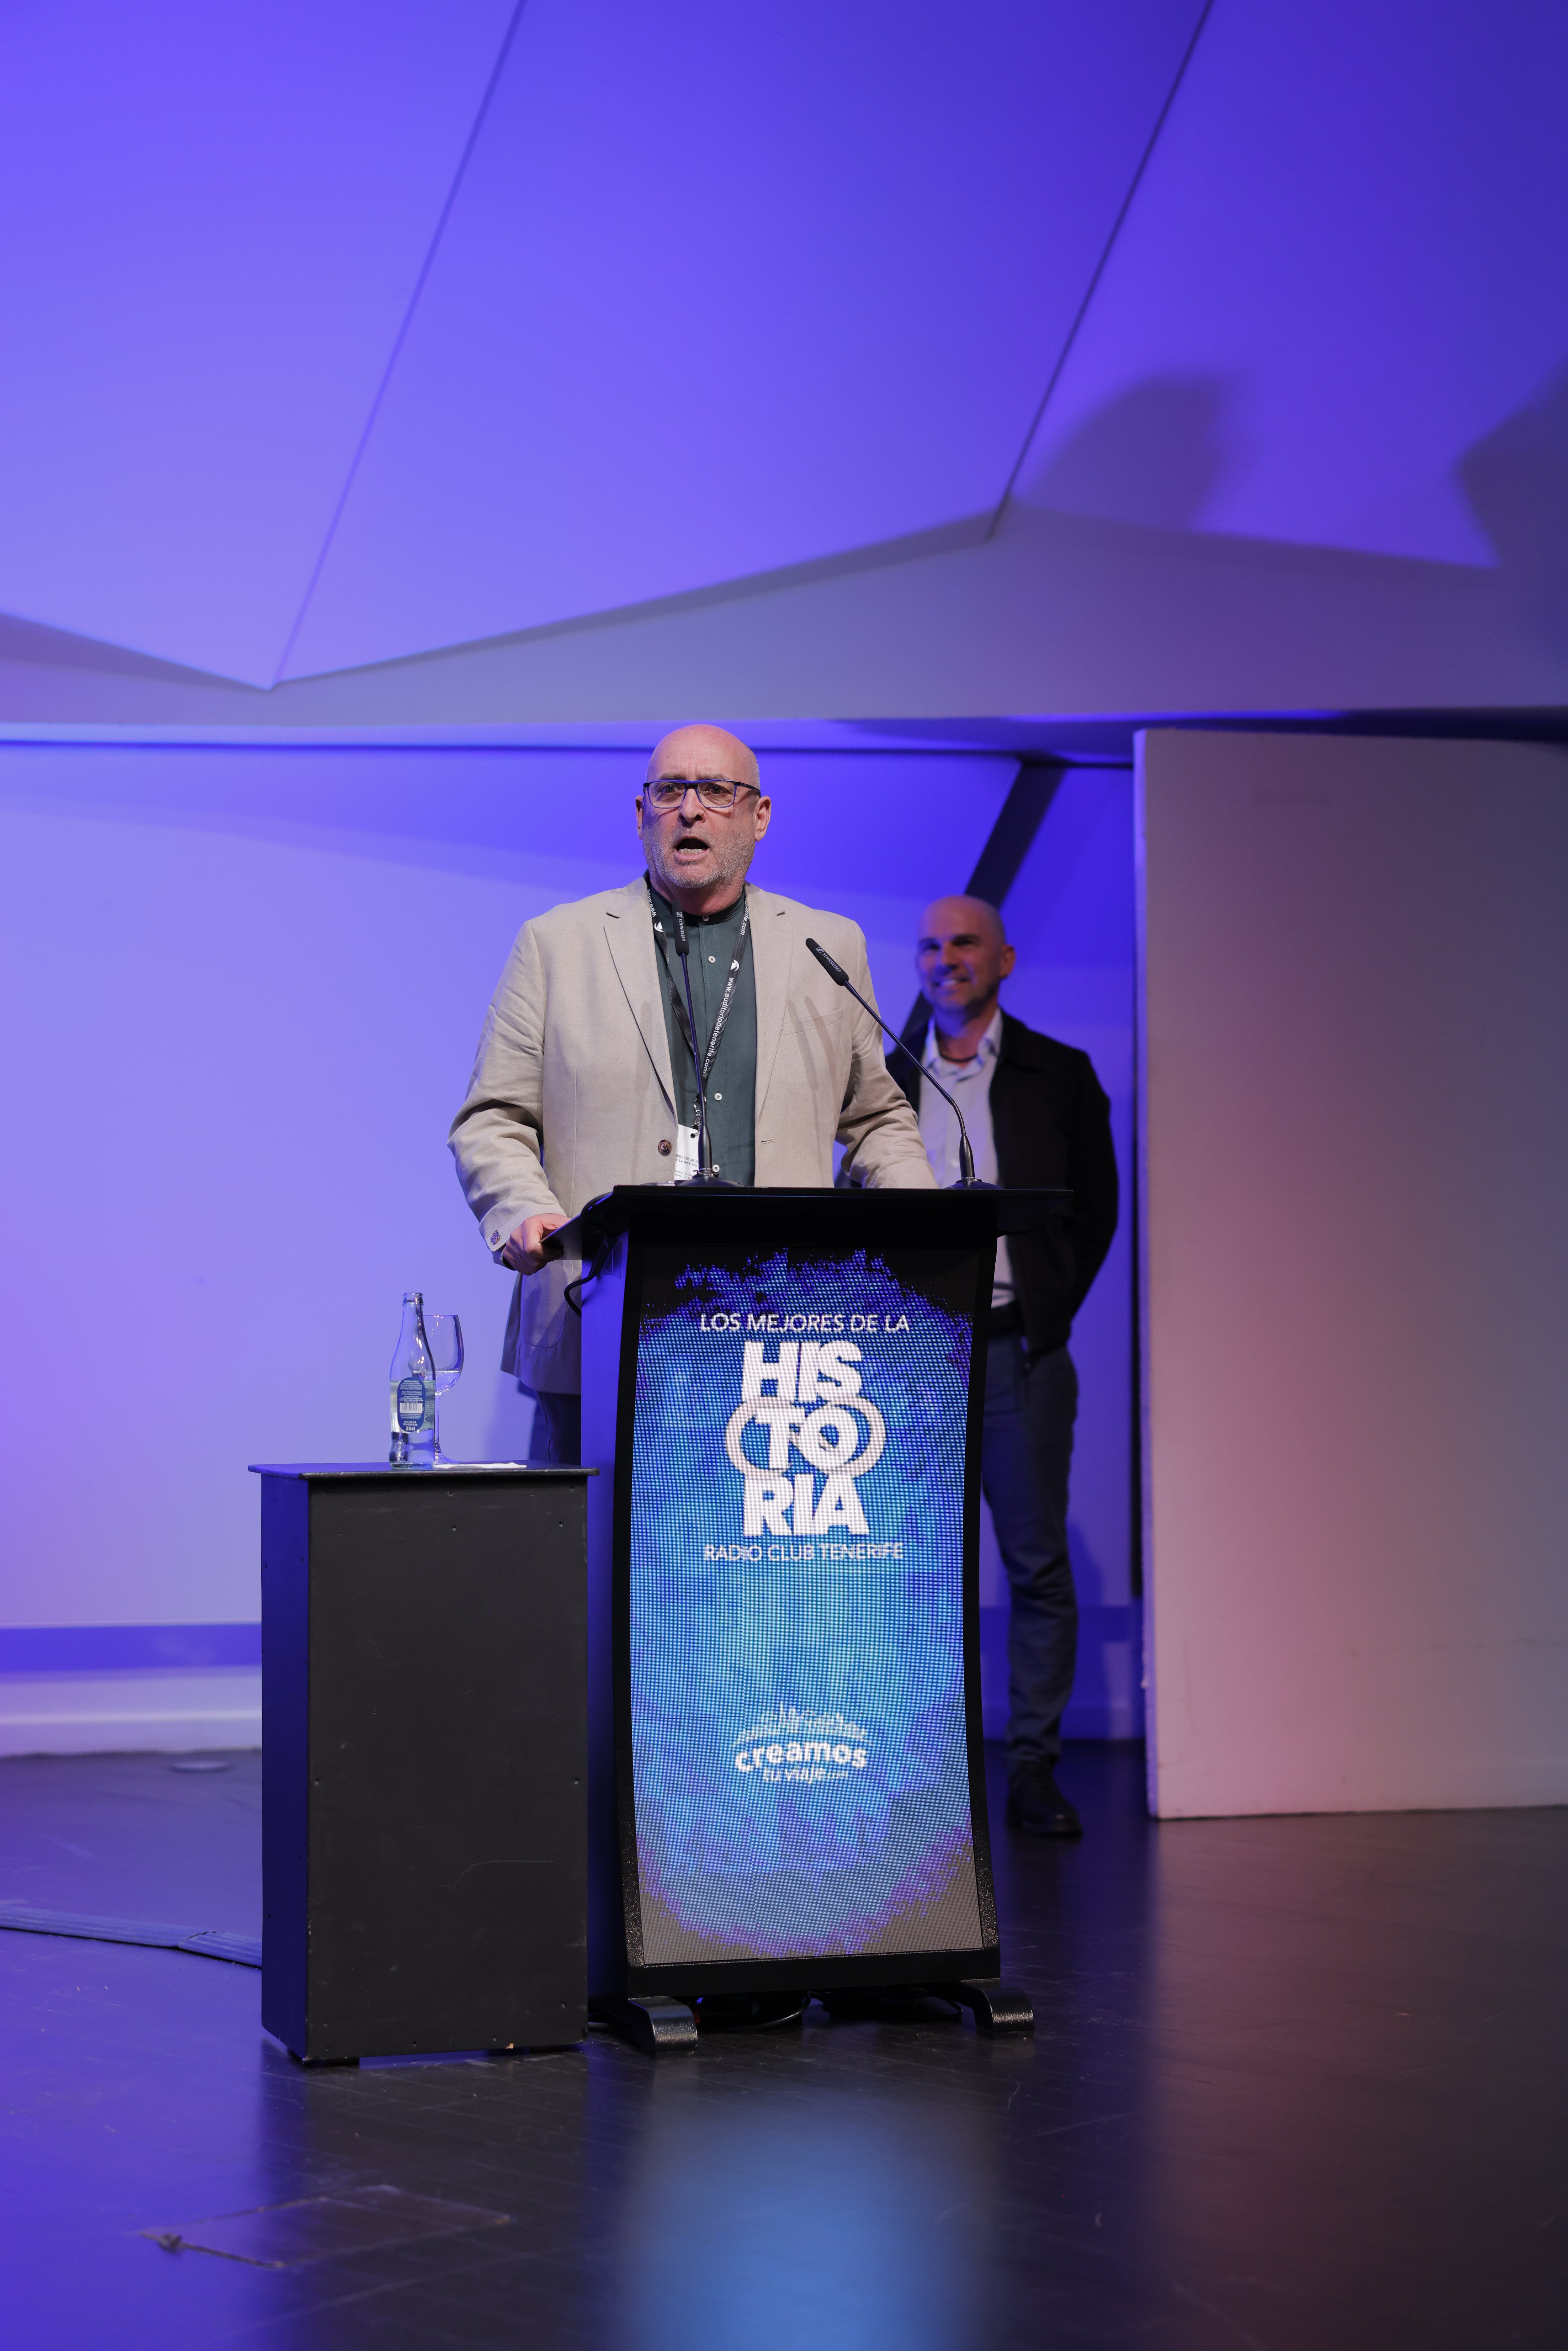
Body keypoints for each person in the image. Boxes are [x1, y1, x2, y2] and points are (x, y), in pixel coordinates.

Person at [449, 724, 935, 1462]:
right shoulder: (557, 943)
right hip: (599, 1317)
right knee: (593, 1537)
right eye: (669, 790)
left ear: (759, 816)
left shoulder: (828, 946)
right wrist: (522, 1210)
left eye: (715, 790)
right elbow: (493, 1118)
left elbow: (875, 1116)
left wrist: (929, 1233)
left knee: (749, 1534)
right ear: (640, 813)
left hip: (781, 1333)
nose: (689, 808)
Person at [894, 895, 1118, 1838]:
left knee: (1035, 1567)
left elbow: (1094, 1213)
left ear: (1005, 960)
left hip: (1016, 1351)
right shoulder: (886, 1074)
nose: (946, 959)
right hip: (910, 1364)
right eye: (930, 946)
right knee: (905, 1571)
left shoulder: (1057, 1073)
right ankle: (917, 1775)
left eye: (965, 943)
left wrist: (1046, 1308)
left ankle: (1031, 1769)